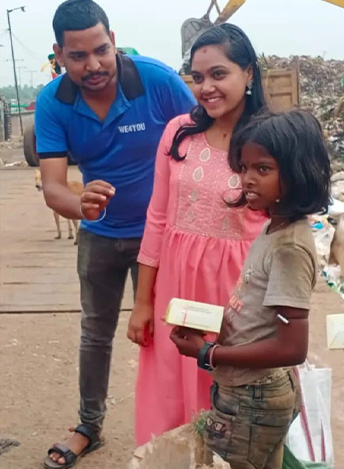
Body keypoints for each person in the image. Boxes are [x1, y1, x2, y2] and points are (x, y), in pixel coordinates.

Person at [35, 0, 196, 467]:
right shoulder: (52, 102)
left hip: (162, 237)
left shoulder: (156, 81)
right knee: (95, 333)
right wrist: (80, 205)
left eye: (100, 50)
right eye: (77, 56)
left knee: (174, 329)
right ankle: (89, 426)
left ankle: (187, 423)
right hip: (100, 237)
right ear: (59, 55)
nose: (93, 65)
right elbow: (52, 187)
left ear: (113, 40)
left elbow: (206, 138)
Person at [127, 23, 269, 446]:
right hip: (175, 288)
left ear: (248, 72)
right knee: (171, 388)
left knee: (231, 391)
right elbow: (157, 219)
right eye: (197, 77)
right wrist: (142, 303)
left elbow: (282, 227)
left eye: (218, 74)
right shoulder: (178, 132)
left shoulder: (269, 140)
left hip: (237, 291)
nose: (206, 87)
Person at [169, 109, 332, 469]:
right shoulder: (275, 228)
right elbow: (262, 315)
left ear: (299, 172)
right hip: (250, 391)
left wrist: (209, 353)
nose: (247, 179)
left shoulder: (289, 248)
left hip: (252, 397)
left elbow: (292, 347)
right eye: (243, 168)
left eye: (263, 169)